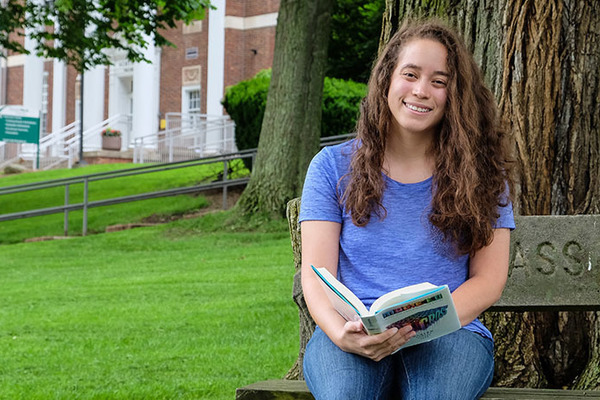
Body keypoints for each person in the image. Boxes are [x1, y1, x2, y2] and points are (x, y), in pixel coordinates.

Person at [298, 19, 515, 400]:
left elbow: (489, 279)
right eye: (410, 74)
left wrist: (422, 325)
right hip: (353, 331)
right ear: (387, 80)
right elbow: (316, 276)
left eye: (439, 81)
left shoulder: (483, 175)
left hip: (450, 334)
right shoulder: (331, 167)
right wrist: (341, 335)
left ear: (455, 94)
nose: (420, 90)